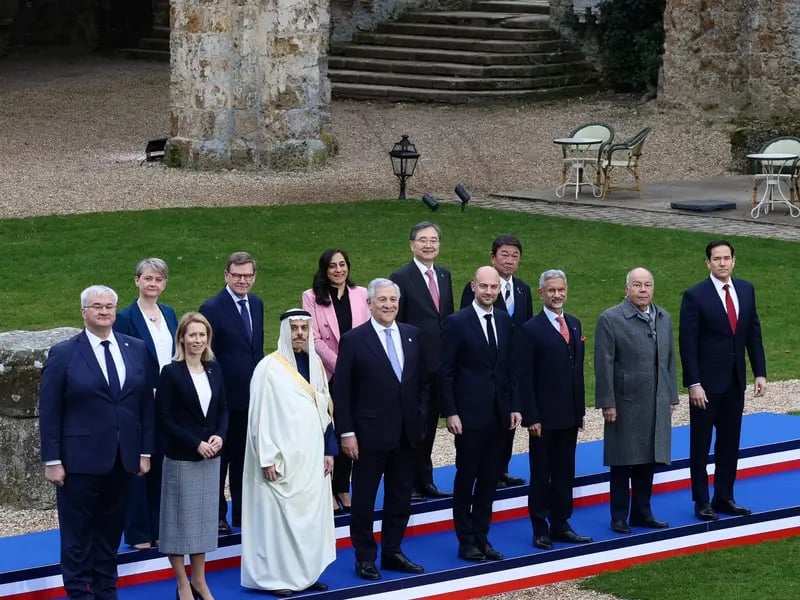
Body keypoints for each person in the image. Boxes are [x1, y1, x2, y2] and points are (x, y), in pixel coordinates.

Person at [39, 285, 153, 599]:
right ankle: (79, 593)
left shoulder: (135, 348)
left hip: (123, 459)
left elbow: (145, 404)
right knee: (77, 537)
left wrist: (145, 451)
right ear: (84, 312)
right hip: (78, 461)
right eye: (97, 306)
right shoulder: (64, 353)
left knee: (110, 534)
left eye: (109, 306)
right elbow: (50, 409)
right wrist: (52, 459)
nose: (104, 311)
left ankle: (106, 591)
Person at [333, 278, 428, 581]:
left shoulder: (412, 335)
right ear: (369, 303)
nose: (388, 305)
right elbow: (342, 391)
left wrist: (420, 417)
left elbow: (422, 382)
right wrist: (346, 432)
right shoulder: (354, 340)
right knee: (364, 500)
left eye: (393, 300)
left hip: (406, 434)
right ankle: (364, 557)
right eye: (382, 300)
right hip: (368, 436)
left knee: (400, 497)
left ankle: (392, 550)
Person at [241, 309, 337, 597]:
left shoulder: (316, 364)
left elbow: (325, 408)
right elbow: (260, 415)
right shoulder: (269, 368)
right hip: (280, 459)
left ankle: (306, 574)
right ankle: (276, 578)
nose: (299, 334)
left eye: (304, 329)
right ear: (285, 331)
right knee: (278, 522)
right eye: (294, 328)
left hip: (312, 456)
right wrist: (266, 457)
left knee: (310, 518)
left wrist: (329, 450)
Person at [679, 240, 767, 521]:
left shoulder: (746, 290)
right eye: (716, 259)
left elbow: (753, 333)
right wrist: (693, 383)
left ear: (734, 260)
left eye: (726, 258)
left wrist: (760, 372)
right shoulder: (695, 296)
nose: (722, 263)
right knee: (701, 445)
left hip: (734, 382)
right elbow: (687, 344)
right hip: (705, 386)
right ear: (708, 263)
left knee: (729, 443)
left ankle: (724, 496)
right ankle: (701, 501)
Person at [440, 266, 521, 562]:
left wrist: (515, 406)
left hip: (499, 415)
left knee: (489, 479)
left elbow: (510, 368)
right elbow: (445, 371)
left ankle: (482, 536)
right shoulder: (456, 322)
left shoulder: (503, 320)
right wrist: (451, 412)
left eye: (494, 287)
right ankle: (466, 541)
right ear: (473, 286)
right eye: (484, 286)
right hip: (469, 417)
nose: (489, 291)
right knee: (467, 478)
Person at [594, 268, 678, 534]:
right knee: (622, 460)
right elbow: (603, 364)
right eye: (637, 285)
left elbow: (669, 360)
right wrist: (607, 402)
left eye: (648, 285)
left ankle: (643, 512)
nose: (643, 290)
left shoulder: (663, 316)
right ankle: (619, 516)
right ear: (627, 288)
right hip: (625, 401)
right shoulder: (610, 318)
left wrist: (671, 395)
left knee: (649, 458)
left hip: (656, 399)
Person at [516, 269, 592, 550]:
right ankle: (540, 528)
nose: (557, 295)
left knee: (564, 473)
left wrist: (579, 411)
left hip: (569, 416)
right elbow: (525, 377)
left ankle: (561, 523)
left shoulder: (574, 324)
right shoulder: (530, 329)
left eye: (561, 290)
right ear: (541, 294)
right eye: (551, 290)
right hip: (543, 419)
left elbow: (577, 372)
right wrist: (532, 417)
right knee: (541, 475)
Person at [157, 312, 227, 600]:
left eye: (202, 335)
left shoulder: (214, 369)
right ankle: (182, 583)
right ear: (182, 338)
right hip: (182, 459)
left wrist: (220, 435)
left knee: (202, 523)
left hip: (210, 459)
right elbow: (164, 418)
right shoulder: (170, 372)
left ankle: (199, 580)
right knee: (177, 524)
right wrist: (195, 443)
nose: (197, 340)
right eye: (192, 335)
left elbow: (223, 409)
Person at [115, 257, 179, 550]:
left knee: (162, 464)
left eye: (159, 279)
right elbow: (125, 361)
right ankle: (139, 532)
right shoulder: (126, 318)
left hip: (169, 398)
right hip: (141, 399)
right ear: (137, 280)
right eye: (148, 278)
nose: (153, 284)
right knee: (140, 465)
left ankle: (158, 527)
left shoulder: (169, 313)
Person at [460, 234, 533, 488]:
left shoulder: (523, 289)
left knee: (509, 419)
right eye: (504, 255)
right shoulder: (478, 289)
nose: (509, 261)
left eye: (515, 256)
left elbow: (527, 327)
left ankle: (502, 468)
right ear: (493, 257)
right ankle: (483, 471)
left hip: (512, 367)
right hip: (485, 367)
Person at [199, 251, 264, 535]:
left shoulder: (257, 304)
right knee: (221, 459)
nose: (242, 281)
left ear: (254, 276)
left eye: (247, 275)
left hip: (251, 397)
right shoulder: (211, 308)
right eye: (237, 275)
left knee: (244, 458)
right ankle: (216, 516)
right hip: (223, 399)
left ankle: (242, 511)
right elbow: (206, 355)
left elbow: (256, 349)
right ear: (226, 275)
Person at [301, 248, 370, 514]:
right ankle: (327, 489)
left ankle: (343, 486)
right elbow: (314, 338)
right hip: (330, 375)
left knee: (351, 429)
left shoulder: (361, 294)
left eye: (342, 264)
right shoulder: (311, 297)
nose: (338, 270)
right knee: (330, 430)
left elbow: (369, 331)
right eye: (332, 266)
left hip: (360, 373)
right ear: (324, 269)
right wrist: (341, 365)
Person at [390, 221, 454, 501]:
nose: (429, 245)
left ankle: (425, 480)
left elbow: (447, 318)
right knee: (413, 427)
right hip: (414, 366)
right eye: (423, 240)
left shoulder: (444, 275)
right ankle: (408, 484)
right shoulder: (401, 277)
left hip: (440, 365)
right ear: (412, 245)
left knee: (430, 428)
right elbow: (396, 320)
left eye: (433, 240)